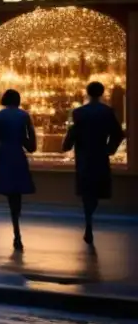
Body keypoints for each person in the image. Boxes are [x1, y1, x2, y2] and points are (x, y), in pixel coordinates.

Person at [62, 81, 124, 246]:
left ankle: (88, 220)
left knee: (86, 190)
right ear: (102, 93)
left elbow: (74, 133)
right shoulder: (107, 112)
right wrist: (109, 149)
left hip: (84, 155)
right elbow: (118, 134)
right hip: (100, 155)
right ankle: (89, 219)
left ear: (87, 93)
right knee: (96, 189)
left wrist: (68, 143)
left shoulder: (79, 112)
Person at [0, 88, 37, 250]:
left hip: (4, 156)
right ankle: (16, 226)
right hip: (18, 155)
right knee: (16, 195)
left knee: (10, 194)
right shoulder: (24, 116)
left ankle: (16, 228)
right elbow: (31, 144)